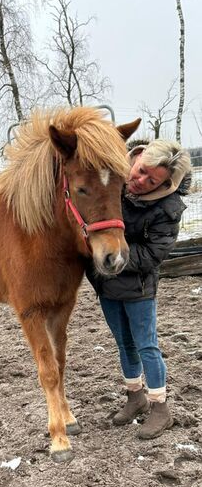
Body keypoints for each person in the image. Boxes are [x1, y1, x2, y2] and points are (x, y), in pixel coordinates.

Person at [86, 138, 192, 439]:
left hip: (138, 288)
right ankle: (136, 397)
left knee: (147, 345)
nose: (141, 180)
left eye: (152, 179)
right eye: (142, 170)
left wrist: (110, 251)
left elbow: (151, 255)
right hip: (106, 284)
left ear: (166, 184)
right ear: (137, 157)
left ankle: (160, 407)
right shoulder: (113, 182)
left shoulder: (168, 208)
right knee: (125, 344)